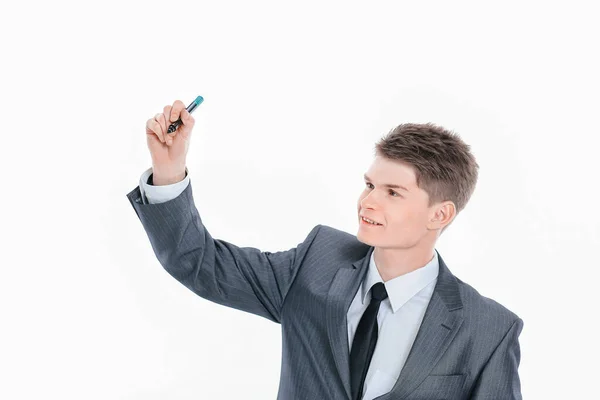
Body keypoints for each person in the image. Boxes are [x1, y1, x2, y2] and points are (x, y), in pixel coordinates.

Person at [126, 99, 524, 400]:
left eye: (393, 193)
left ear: (439, 214)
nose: (368, 202)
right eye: (369, 185)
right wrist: (168, 168)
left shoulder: (485, 328)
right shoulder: (316, 263)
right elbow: (199, 263)